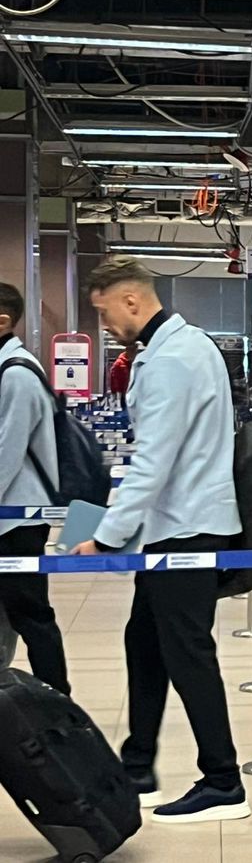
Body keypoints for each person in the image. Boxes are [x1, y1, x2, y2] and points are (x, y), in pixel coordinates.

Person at [71, 257, 249, 825]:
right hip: (178, 524)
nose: (103, 325)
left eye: (104, 313)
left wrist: (106, 537)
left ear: (131, 300)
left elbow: (153, 461)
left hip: (188, 526)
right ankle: (137, 767)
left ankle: (223, 782)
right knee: (145, 642)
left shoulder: (171, 359)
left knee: (187, 653)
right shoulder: (182, 346)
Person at [0, 283, 70, 696]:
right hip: (9, 514)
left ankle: (60, 703)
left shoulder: (17, 374)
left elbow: (6, 454)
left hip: (17, 520)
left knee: (31, 615)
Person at [108, 341, 139, 406]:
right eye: (132, 351)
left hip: (132, 394)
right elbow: (114, 382)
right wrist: (115, 396)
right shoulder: (119, 364)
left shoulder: (135, 363)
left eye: (134, 351)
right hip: (122, 395)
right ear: (127, 350)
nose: (134, 353)